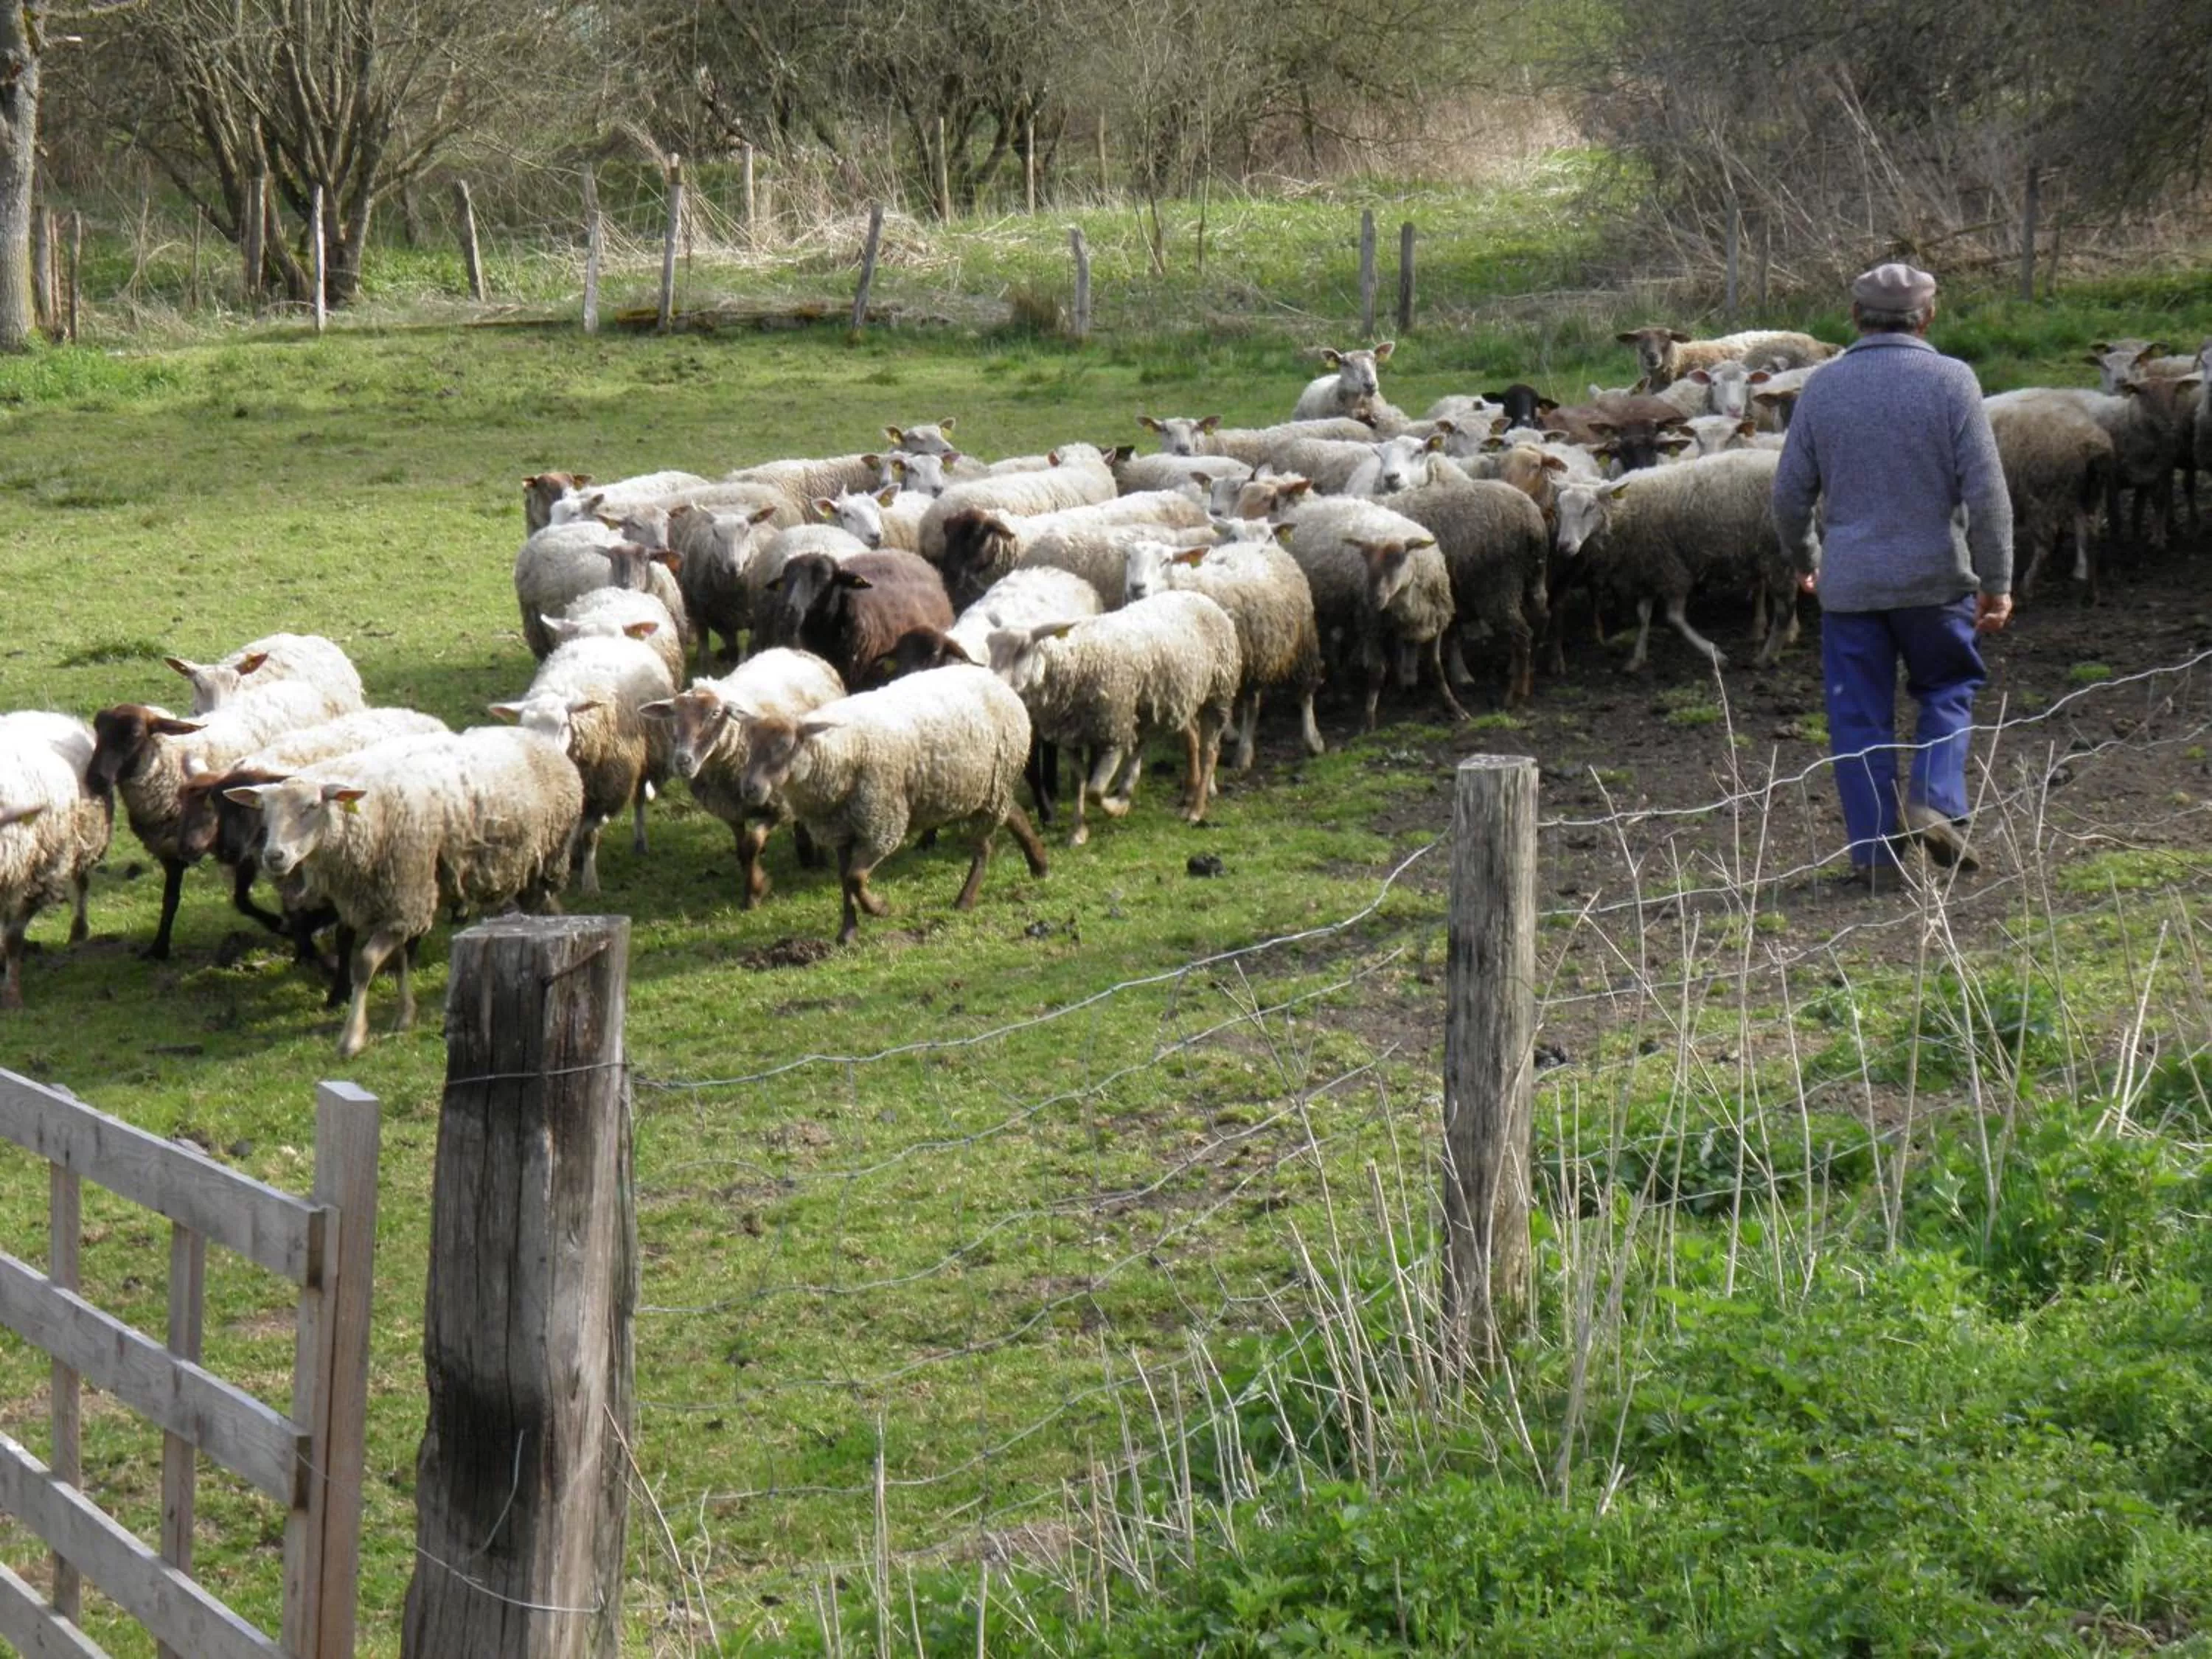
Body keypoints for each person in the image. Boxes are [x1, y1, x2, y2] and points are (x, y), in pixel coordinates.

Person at [1773, 261, 2013, 884]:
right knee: (1947, 687)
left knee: (1859, 717)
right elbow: (1987, 493)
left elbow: (1790, 496)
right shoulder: (1952, 380)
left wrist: (1808, 562)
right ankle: (1934, 798)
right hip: (1936, 579)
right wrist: (1997, 579)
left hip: (1850, 586)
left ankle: (1877, 858)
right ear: (1929, 317)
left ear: (1854, 316)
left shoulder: (1823, 387)